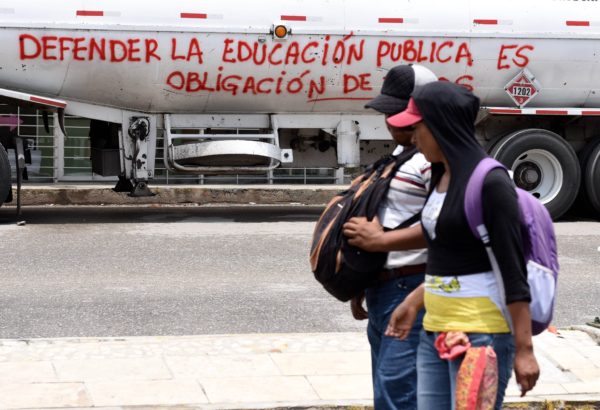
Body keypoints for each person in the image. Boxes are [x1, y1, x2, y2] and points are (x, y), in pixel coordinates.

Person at [384, 81, 540, 409]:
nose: (412, 138)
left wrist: (524, 350)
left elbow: (513, 271)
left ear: (442, 126)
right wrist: (414, 301)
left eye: (418, 128)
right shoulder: (440, 176)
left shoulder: (491, 183)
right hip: (435, 330)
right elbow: (448, 255)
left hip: (482, 337)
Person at [341, 64, 436, 410]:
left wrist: (381, 242)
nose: (391, 119)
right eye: (389, 111)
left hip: (410, 289)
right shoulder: (399, 157)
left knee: (401, 398)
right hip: (383, 289)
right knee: (388, 397)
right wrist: (361, 282)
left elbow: (453, 229)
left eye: (400, 111)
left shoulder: (433, 161)